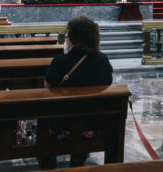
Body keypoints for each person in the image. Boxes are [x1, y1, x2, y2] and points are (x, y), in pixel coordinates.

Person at [38, 16, 114, 169]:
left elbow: (47, 86)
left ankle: (48, 165)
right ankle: (79, 162)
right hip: (93, 127)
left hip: (62, 126)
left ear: (72, 39)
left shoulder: (60, 61)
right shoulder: (103, 61)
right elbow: (108, 82)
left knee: (45, 123)